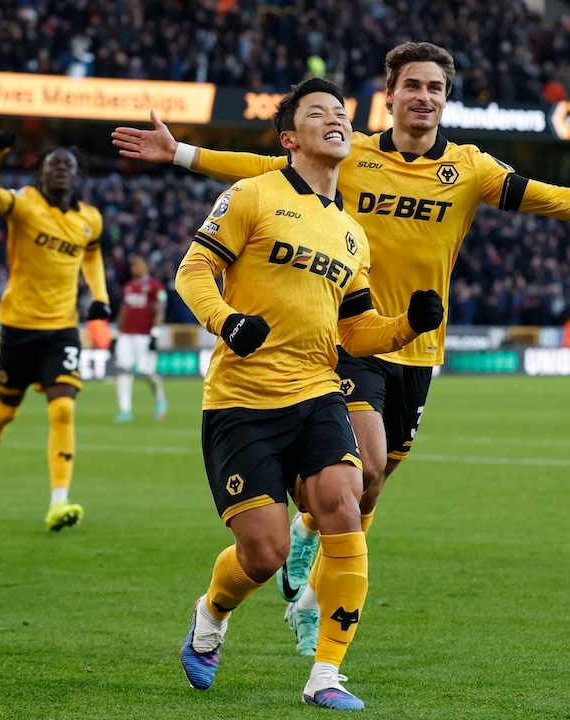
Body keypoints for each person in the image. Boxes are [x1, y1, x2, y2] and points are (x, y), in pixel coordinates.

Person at [113, 41, 570, 653]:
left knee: (371, 487)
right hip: (351, 336)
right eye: (413, 85)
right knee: (366, 464)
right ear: (390, 96)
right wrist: (182, 153)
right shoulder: (350, 153)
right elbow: (264, 167)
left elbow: (552, 198)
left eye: (436, 87)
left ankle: (311, 571)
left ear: (445, 99)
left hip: (417, 344)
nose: (424, 96)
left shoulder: (470, 169)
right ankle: (313, 591)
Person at [173, 77, 444, 711]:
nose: (336, 120)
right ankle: (211, 614)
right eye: (318, 113)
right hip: (242, 400)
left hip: (318, 392)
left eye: (341, 113)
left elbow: (355, 329)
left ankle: (326, 674)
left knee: (346, 503)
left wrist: (408, 325)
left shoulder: (350, 233)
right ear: (289, 138)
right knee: (263, 554)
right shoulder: (252, 194)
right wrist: (227, 322)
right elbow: (193, 270)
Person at [0, 131, 113, 531]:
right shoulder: (24, 203)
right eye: (53, 164)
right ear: (42, 173)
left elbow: (93, 256)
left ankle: (58, 502)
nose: (61, 169)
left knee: (63, 408)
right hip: (18, 325)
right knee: (5, 412)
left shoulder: (90, 219)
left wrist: (99, 296)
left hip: (62, 328)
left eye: (67, 164)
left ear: (77, 175)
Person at [113, 254, 168, 423]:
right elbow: (124, 310)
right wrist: (117, 333)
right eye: (132, 265)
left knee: (146, 371)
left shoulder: (156, 287)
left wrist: (155, 334)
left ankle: (160, 399)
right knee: (123, 369)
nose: (134, 268)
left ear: (146, 266)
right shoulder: (128, 287)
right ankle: (125, 410)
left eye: (138, 265)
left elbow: (160, 311)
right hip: (126, 335)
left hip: (145, 335)